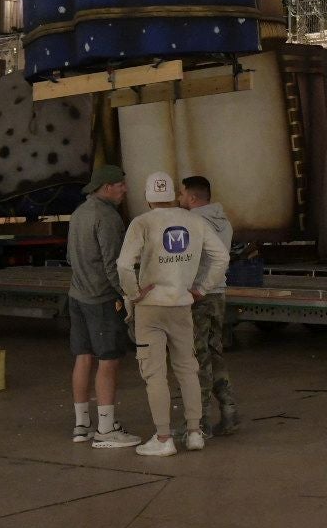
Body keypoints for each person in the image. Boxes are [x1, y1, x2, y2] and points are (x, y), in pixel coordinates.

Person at [116, 171, 228, 457]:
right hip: (182, 305)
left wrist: (133, 293)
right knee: (188, 369)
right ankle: (194, 433)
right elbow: (222, 257)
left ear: (147, 196)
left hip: (150, 308)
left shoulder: (141, 223)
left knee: (155, 375)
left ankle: (164, 437)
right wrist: (201, 288)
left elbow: (124, 265)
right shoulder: (194, 221)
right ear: (173, 195)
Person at [66, 164, 139, 448]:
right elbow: (114, 266)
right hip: (102, 300)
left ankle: (82, 424)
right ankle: (106, 430)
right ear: (107, 186)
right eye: (121, 184)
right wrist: (129, 295)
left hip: (77, 296)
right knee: (108, 361)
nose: (124, 189)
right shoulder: (107, 217)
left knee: (83, 357)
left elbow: (71, 258)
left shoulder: (79, 213)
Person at [174, 175, 240, 437]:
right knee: (214, 352)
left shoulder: (193, 222)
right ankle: (229, 410)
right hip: (218, 293)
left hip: (198, 295)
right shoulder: (223, 220)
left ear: (191, 197)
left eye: (181, 194)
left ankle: (199, 423)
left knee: (196, 358)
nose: (179, 199)